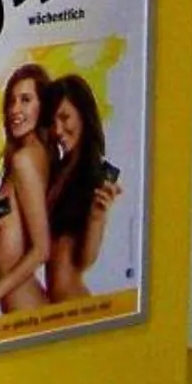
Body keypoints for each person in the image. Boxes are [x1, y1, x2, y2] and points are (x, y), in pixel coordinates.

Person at [0, 63, 57, 316]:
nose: (15, 109)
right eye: (11, 101)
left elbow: (41, 249)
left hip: (27, 305)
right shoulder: (33, 156)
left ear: (42, 107)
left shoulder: (25, 159)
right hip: (21, 307)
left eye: (25, 100)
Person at [40, 72, 120, 303]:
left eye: (65, 117)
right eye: (53, 121)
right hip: (52, 305)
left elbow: (84, 261)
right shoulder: (59, 168)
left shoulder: (94, 173)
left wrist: (97, 218)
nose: (58, 129)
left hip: (73, 301)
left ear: (83, 115)